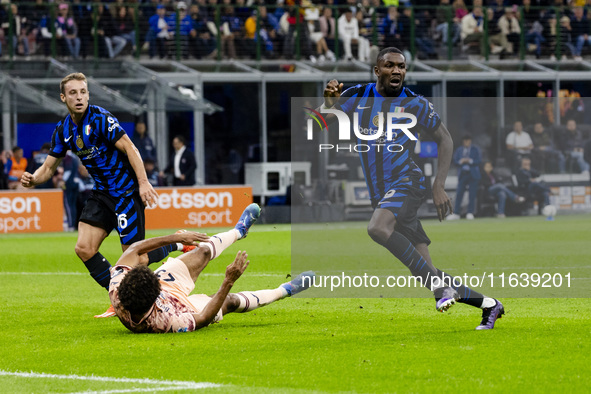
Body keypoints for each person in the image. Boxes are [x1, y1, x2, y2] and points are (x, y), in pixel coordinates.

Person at [321, 47, 504, 330]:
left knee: (377, 228)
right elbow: (320, 122)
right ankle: (489, 305)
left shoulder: (415, 103)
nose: (397, 71)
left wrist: (438, 184)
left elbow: (445, 140)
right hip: (381, 193)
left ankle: (440, 290)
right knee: (425, 269)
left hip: (407, 182)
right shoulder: (359, 95)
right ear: (377, 70)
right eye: (390, 65)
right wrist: (328, 103)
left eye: (402, 66)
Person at [20, 73, 187, 318]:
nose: (79, 97)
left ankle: (176, 242)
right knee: (84, 248)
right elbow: (48, 168)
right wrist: (34, 178)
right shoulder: (63, 130)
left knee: (136, 261)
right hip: (101, 194)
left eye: (83, 92)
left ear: (88, 94)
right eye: (74, 93)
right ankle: (117, 295)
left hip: (126, 193)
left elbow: (130, 147)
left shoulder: (100, 119)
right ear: (63, 97)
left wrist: (142, 183)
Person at [109, 203, 314, 333]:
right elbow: (204, 318)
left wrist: (176, 238)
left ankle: (238, 231)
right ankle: (286, 289)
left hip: (158, 290)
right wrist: (228, 281)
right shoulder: (167, 322)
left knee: (203, 252)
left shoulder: (117, 286)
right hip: (181, 307)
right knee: (229, 301)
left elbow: (134, 249)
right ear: (155, 297)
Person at [447, 135, 481, 220]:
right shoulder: (459, 150)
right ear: (463, 142)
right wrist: (461, 161)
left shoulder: (475, 149)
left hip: (472, 174)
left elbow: (478, 160)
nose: (466, 142)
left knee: (472, 194)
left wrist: (469, 160)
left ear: (470, 141)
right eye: (465, 141)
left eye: (468, 141)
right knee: (459, 194)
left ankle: (470, 212)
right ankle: (456, 213)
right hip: (463, 174)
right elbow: (455, 161)